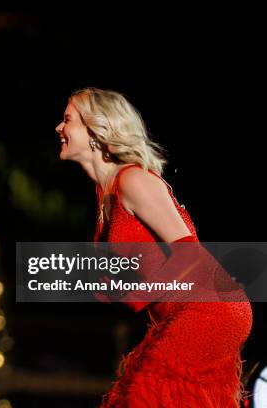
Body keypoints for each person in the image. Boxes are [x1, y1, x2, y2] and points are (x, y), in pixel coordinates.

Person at [55, 87, 252, 407]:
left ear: (96, 130)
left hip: (209, 309)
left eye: (67, 120)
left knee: (142, 397)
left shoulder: (133, 180)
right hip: (182, 312)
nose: (59, 128)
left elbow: (190, 252)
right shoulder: (104, 195)